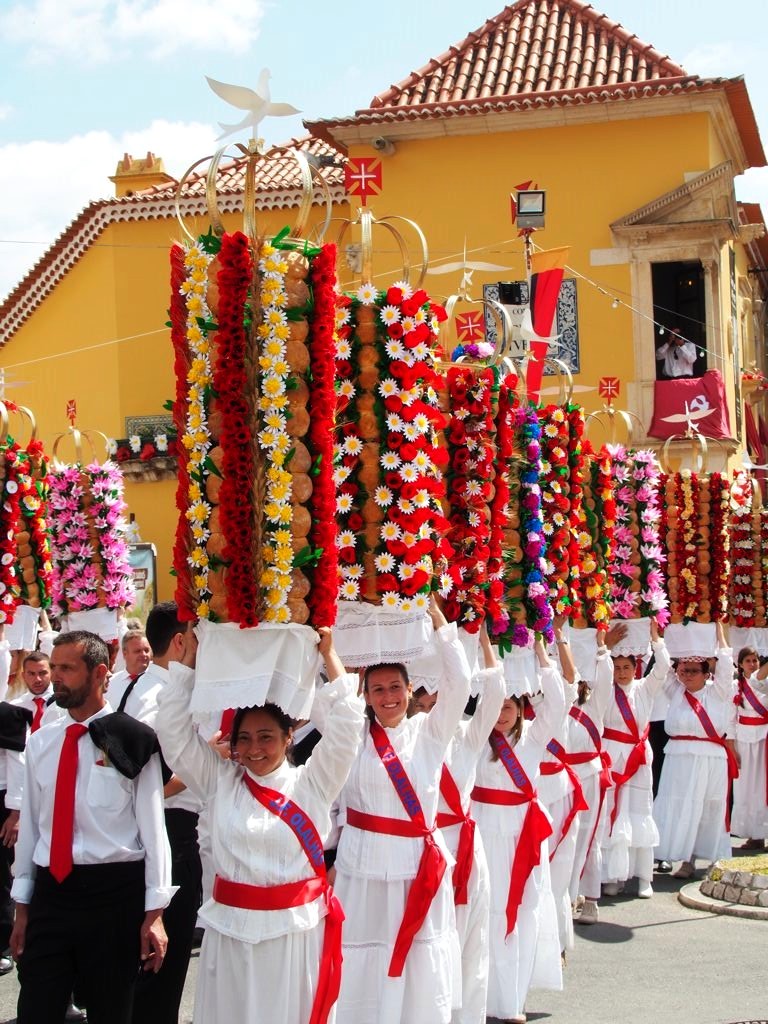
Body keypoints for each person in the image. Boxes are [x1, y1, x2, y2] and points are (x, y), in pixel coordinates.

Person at [156, 624, 364, 1024]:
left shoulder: (313, 783)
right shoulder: (219, 781)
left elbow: (348, 725)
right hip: (230, 936)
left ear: (289, 738)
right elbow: (174, 734)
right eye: (245, 739)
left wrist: (328, 654)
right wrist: (190, 660)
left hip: (293, 938)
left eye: (266, 737)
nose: (254, 749)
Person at [10, 630, 173, 1024]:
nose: (56, 676)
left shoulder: (133, 738)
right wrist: (23, 909)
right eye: (54, 666)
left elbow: (154, 830)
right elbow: (31, 829)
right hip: (51, 894)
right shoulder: (42, 743)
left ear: (99, 673)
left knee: (111, 1011)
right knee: (36, 1009)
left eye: (67, 668)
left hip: (113, 897)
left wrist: (155, 912)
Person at [334, 598, 471, 1024]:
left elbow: (460, 685)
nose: (388, 696)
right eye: (378, 689)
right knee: (363, 954)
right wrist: (326, 645)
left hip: (416, 867)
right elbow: (325, 700)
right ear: (365, 695)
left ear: (410, 691)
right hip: (362, 868)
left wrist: (441, 625)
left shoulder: (428, 733)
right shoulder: (351, 735)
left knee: (416, 957)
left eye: (395, 687)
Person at [408, 623, 505, 1024]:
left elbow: (495, 692)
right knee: (433, 944)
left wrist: (481, 638)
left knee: (471, 942)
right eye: (422, 699)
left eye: (437, 698)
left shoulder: (468, 735)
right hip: (426, 852)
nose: (431, 705)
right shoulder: (407, 740)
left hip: (466, 849)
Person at [472, 637, 565, 1024]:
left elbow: (558, 702)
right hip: (481, 831)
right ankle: (479, 998)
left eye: (509, 707)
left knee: (520, 912)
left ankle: (511, 1000)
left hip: (521, 835)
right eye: (496, 706)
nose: (502, 714)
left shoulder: (533, 738)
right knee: (484, 911)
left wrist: (541, 649)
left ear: (521, 708)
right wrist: (481, 643)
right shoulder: (473, 738)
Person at [122, 603, 205, 1024]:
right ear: (179, 642)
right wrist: (203, 766)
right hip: (168, 837)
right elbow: (144, 786)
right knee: (161, 973)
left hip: (157, 837)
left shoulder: (137, 688)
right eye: (198, 640)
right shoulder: (158, 698)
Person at [654, 622, 737, 878]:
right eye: (683, 670)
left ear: (705, 673)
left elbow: (726, 664)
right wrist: (657, 635)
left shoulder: (718, 692)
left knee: (710, 808)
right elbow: (663, 667)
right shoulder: (676, 690)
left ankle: (715, 859)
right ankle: (687, 860)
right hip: (678, 757)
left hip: (710, 758)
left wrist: (720, 632)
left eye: (692, 671)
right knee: (681, 807)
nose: (686, 675)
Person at [600, 620, 671, 898]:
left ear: (635, 668)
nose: (621, 672)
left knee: (640, 812)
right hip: (611, 756)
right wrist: (605, 646)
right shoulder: (604, 690)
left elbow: (663, 666)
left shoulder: (644, 688)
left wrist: (655, 637)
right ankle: (613, 876)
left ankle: (644, 878)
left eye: (626, 667)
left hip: (638, 758)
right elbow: (593, 670)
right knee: (613, 812)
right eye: (617, 668)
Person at [563, 627, 622, 926]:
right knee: (565, 838)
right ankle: (565, 895)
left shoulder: (596, 703)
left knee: (589, 836)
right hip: (562, 776)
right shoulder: (557, 701)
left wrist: (601, 647)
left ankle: (590, 899)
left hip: (589, 773)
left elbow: (606, 676)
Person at [731, 647, 768, 848]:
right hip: (744, 740)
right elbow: (730, 718)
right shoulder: (734, 685)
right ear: (740, 664)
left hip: (764, 738)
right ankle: (753, 833)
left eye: (755, 660)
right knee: (745, 787)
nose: (752, 664)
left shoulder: (764, 682)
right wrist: (731, 745)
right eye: (748, 661)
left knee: (762, 786)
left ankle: (762, 832)